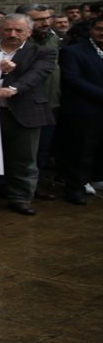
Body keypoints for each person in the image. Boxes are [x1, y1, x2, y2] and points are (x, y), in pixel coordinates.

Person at [0, 14, 57, 216]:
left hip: (25, 111)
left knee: (24, 159)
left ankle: (21, 198)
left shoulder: (42, 52)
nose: (13, 34)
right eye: (8, 29)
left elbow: (37, 74)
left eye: (19, 30)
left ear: (29, 32)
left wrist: (15, 88)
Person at [56, 14, 103, 205]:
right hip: (84, 110)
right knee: (80, 151)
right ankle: (75, 188)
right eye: (99, 29)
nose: (102, 33)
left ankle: (97, 178)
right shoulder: (73, 51)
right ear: (91, 30)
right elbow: (72, 79)